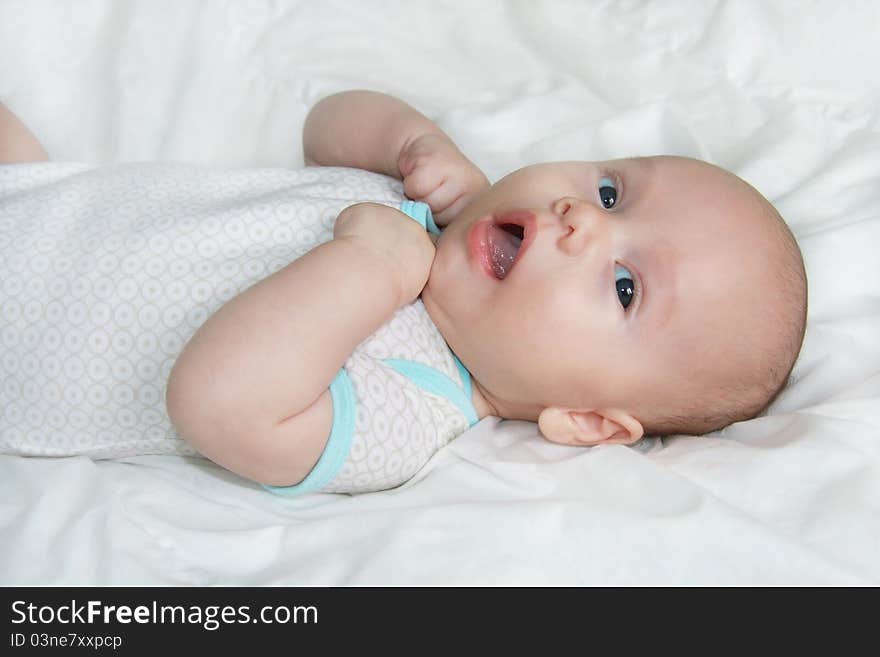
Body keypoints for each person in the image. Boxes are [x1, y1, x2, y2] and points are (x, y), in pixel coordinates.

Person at [0, 92, 808, 496]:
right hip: (45, 193)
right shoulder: (441, 210)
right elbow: (326, 124)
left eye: (626, 287)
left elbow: (215, 402)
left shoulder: (406, 410)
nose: (580, 224)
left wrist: (371, 267)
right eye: (608, 192)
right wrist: (417, 144)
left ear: (588, 419)